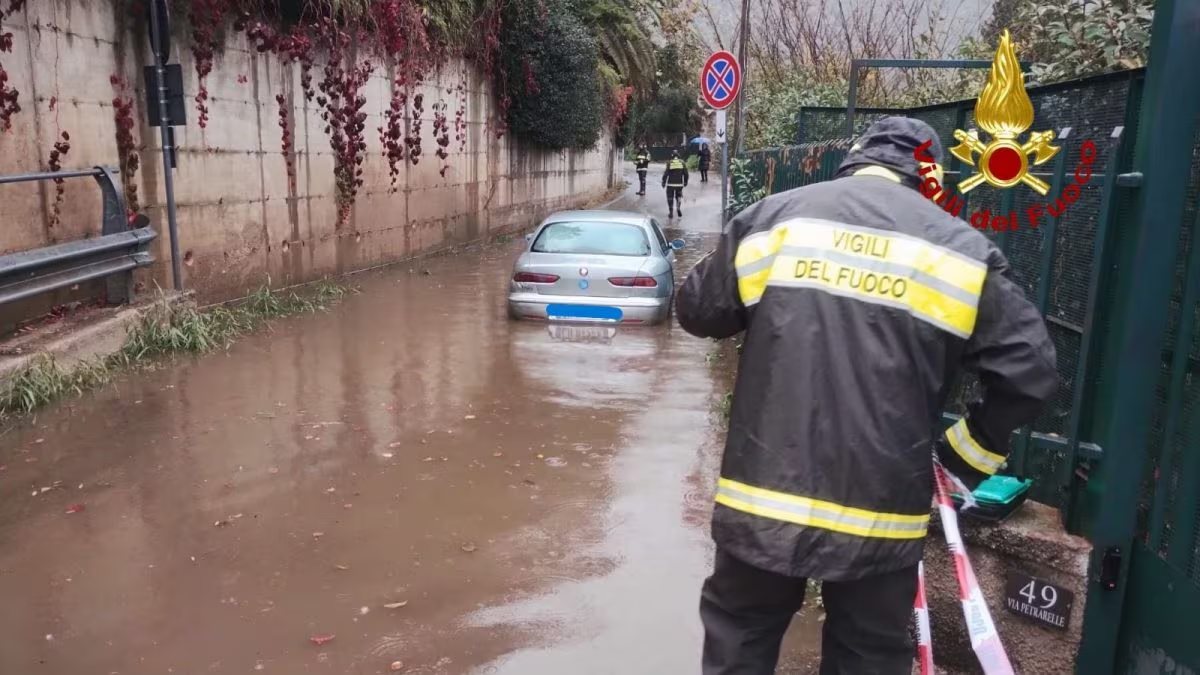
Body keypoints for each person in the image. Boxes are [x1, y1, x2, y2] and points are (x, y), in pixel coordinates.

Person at [674, 116, 1058, 675]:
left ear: (851, 161)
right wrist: (961, 458)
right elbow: (1031, 373)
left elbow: (696, 311)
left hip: (762, 497)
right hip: (883, 513)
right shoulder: (961, 251)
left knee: (740, 635)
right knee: (869, 655)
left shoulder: (775, 221)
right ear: (932, 180)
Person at [662, 150, 689, 219]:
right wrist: (685, 182)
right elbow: (686, 174)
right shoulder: (682, 163)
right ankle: (678, 208)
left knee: (670, 198)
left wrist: (663, 182)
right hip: (679, 185)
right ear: (678, 155)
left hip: (670, 184)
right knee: (678, 197)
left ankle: (671, 212)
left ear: (672, 156)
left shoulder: (669, 163)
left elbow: (666, 173)